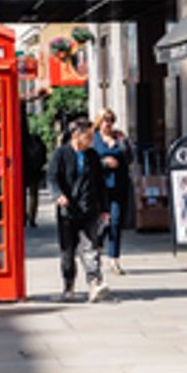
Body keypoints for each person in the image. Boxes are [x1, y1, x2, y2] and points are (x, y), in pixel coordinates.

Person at [48, 119, 111, 302]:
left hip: (89, 208)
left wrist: (104, 208)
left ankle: (94, 284)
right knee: (67, 251)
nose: (92, 139)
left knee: (91, 247)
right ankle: (69, 286)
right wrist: (57, 195)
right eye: (89, 136)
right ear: (76, 135)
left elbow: (100, 183)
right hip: (68, 211)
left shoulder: (92, 155)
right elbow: (52, 178)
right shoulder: (60, 154)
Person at [93, 110, 135, 274]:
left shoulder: (119, 137)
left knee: (116, 223)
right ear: (99, 121)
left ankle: (114, 259)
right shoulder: (94, 138)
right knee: (102, 224)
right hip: (100, 188)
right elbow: (89, 160)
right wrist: (104, 163)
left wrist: (122, 146)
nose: (108, 123)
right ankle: (95, 253)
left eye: (111, 120)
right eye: (105, 120)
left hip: (118, 186)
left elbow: (129, 158)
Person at [22, 121, 49, 228]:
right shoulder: (36, 140)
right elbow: (44, 155)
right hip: (35, 171)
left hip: (23, 170)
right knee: (34, 195)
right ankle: (32, 218)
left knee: (21, 196)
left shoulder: (18, 141)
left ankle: (23, 216)